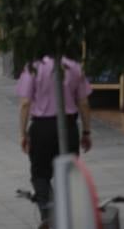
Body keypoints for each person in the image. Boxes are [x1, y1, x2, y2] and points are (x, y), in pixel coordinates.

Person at [17, 56, 93, 224]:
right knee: (68, 175)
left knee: (40, 174)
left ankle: (47, 214)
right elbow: (84, 103)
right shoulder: (73, 66)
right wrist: (86, 132)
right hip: (68, 126)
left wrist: (22, 133)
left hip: (42, 128)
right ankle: (67, 215)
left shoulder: (33, 66)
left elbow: (25, 103)